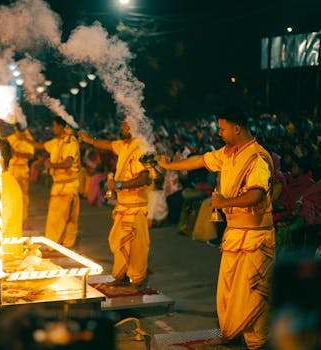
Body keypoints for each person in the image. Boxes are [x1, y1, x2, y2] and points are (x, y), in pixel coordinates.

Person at [158, 107, 275, 349]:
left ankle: (257, 344)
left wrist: (224, 203)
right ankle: (231, 335)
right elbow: (200, 160)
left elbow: (255, 195)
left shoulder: (257, 158)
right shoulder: (227, 153)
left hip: (255, 239)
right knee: (228, 293)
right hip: (234, 236)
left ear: (236, 128)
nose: (218, 132)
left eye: (221, 128)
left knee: (252, 296)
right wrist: (170, 165)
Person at [79, 119, 153, 290]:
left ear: (135, 127)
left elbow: (145, 178)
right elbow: (106, 144)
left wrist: (119, 185)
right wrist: (88, 140)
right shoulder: (123, 145)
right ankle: (121, 275)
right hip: (122, 205)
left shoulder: (141, 148)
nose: (122, 127)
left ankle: (137, 278)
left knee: (137, 246)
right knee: (118, 242)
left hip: (135, 207)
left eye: (126, 125)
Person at [25, 116, 81, 248]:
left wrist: (51, 165)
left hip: (67, 186)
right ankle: (65, 243)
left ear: (61, 126)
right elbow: (40, 146)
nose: (53, 128)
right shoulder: (56, 141)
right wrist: (23, 139)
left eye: (55, 126)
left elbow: (68, 163)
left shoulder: (70, 142)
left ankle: (54, 244)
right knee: (66, 217)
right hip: (61, 185)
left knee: (57, 218)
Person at [6, 122, 35, 223]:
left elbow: (31, 156)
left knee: (23, 195)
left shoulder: (28, 140)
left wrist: (18, 153)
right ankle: (11, 214)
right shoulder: (11, 138)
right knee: (10, 193)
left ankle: (22, 217)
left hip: (22, 170)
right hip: (11, 169)